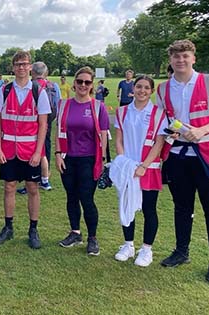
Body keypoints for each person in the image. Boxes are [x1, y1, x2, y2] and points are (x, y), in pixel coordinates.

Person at [156, 39, 209, 283]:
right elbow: (164, 123)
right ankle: (181, 252)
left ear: (193, 58)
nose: (181, 60)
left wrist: (202, 131)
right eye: (176, 57)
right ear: (170, 60)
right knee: (182, 207)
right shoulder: (163, 89)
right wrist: (173, 132)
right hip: (179, 157)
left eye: (185, 56)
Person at [0, 50, 50, 249]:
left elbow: (43, 125)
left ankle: (33, 229)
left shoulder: (38, 91)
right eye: (18, 64)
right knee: (9, 187)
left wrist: (38, 152)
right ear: (13, 67)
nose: (21, 67)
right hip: (8, 149)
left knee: (33, 188)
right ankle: (8, 227)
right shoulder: (5, 91)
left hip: (30, 150)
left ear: (30, 67)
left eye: (25, 64)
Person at [112, 76, 167, 267]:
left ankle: (146, 249)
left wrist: (143, 166)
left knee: (149, 209)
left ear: (151, 91)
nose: (141, 90)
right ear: (132, 89)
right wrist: (125, 163)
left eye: (146, 87)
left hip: (148, 169)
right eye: (138, 86)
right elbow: (118, 139)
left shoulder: (159, 113)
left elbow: (159, 142)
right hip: (128, 168)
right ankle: (128, 245)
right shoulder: (122, 111)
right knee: (127, 205)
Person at [55, 66, 109, 255]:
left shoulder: (97, 106)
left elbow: (103, 135)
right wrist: (57, 154)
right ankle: (75, 232)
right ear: (74, 83)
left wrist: (101, 160)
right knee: (71, 197)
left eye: (87, 82)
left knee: (86, 198)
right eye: (80, 81)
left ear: (92, 85)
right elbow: (59, 131)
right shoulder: (63, 105)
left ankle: (92, 238)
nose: (83, 85)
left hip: (89, 159)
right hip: (68, 158)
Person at [17, 61, 60, 194]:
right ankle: (45, 178)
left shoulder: (31, 86)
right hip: (48, 121)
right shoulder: (53, 85)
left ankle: (29, 180)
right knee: (45, 149)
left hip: (31, 122)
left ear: (32, 72)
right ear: (45, 72)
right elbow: (57, 104)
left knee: (31, 151)